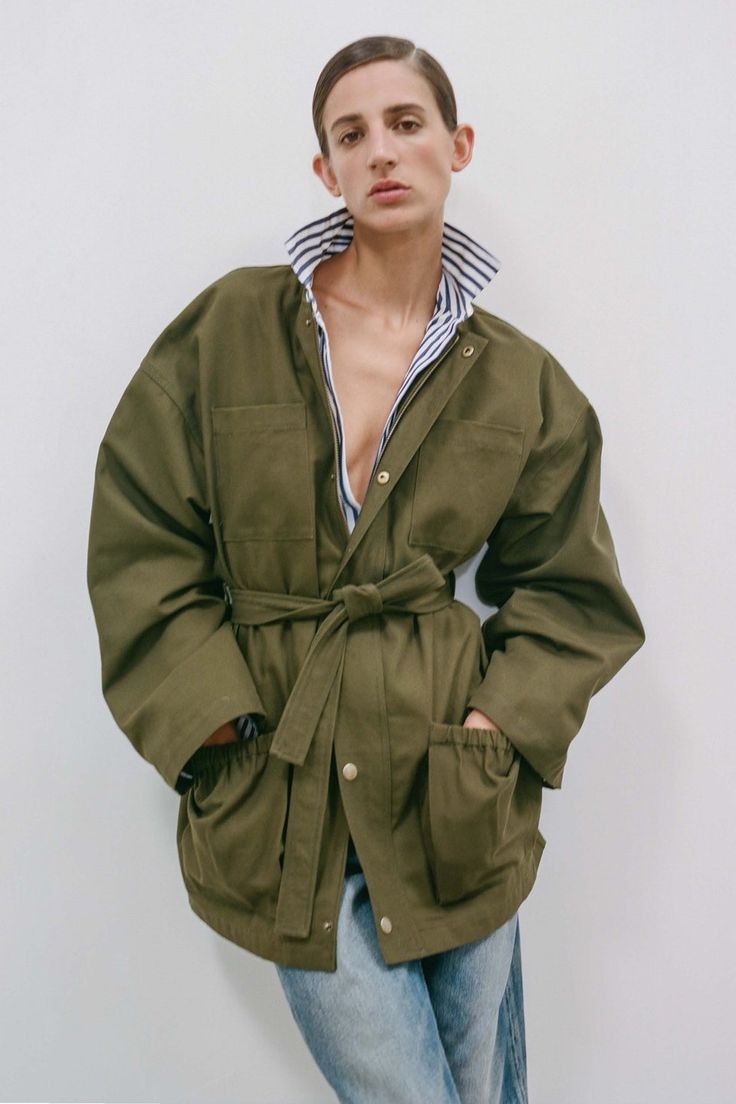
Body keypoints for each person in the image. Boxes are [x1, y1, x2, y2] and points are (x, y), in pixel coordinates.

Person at [86, 34, 646, 1104]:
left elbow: (571, 592)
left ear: (457, 144)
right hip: (281, 792)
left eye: (404, 123)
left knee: (481, 1089)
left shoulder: (520, 380)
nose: (380, 150)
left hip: (453, 795)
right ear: (325, 168)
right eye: (351, 134)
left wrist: (492, 734)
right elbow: (140, 534)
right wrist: (217, 731)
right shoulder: (230, 330)